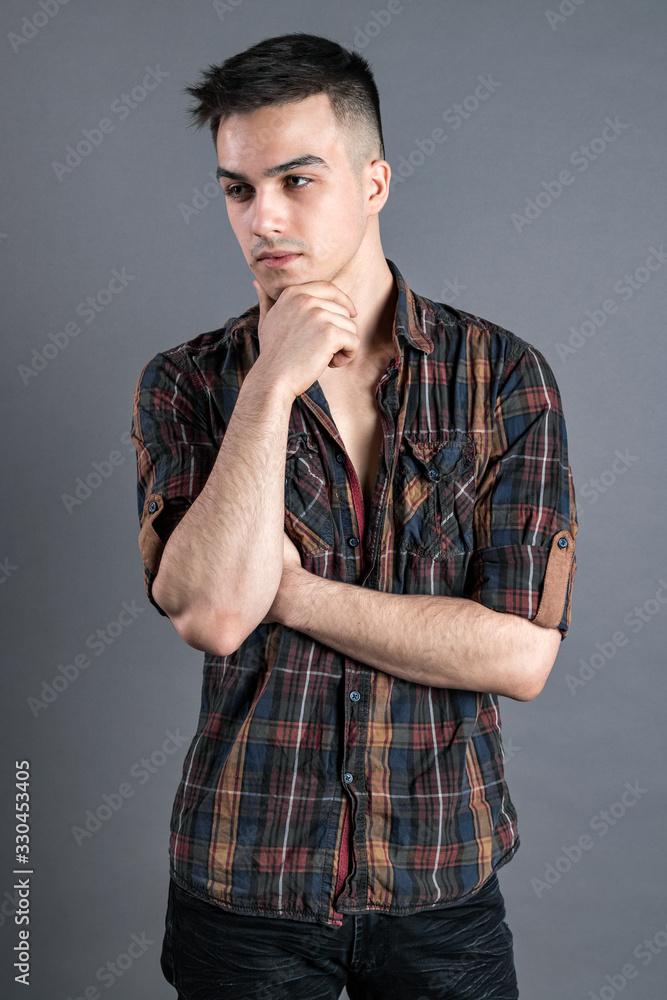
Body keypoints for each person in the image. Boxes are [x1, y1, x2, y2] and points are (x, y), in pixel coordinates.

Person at [130, 32, 577, 1000]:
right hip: (240, 885)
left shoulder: (501, 377)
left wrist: (286, 592)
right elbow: (210, 613)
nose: (264, 217)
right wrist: (270, 385)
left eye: (297, 179)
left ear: (373, 181)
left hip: (439, 882)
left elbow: (520, 656)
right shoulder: (187, 384)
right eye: (238, 190)